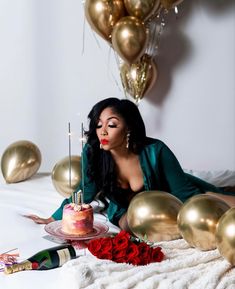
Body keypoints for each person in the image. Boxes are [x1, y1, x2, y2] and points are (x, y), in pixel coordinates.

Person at [26, 97, 235, 231]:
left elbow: (185, 195)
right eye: (98, 125)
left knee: (209, 199)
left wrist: (204, 207)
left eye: (112, 124)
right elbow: (85, 192)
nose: (103, 131)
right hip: (125, 212)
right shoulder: (93, 153)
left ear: (128, 129)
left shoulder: (156, 151)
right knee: (132, 226)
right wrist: (52, 218)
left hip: (173, 196)